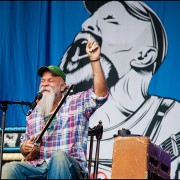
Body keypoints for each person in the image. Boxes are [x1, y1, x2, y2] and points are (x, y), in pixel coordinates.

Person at [59, 1, 180, 178]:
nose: (87, 24)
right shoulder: (68, 114)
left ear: (144, 56)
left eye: (109, 20)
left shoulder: (170, 120)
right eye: (92, 18)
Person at [1, 35, 109, 179]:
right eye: (43, 81)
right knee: (9, 168)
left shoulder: (76, 103)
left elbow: (100, 95)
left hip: (69, 168)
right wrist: (26, 148)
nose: (44, 84)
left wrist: (94, 60)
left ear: (62, 86)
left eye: (50, 80)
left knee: (58, 158)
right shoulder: (33, 114)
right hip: (39, 168)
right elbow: (26, 150)